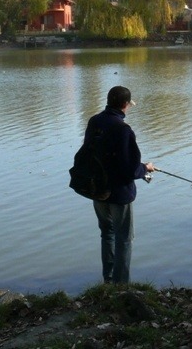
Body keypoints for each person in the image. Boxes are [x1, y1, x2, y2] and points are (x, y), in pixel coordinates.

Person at [83, 86, 155, 284]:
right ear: (125, 105)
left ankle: (108, 280)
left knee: (107, 234)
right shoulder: (123, 130)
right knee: (124, 238)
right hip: (119, 194)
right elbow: (131, 169)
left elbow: (91, 154)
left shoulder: (94, 121)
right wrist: (145, 168)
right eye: (129, 105)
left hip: (97, 190)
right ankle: (121, 285)